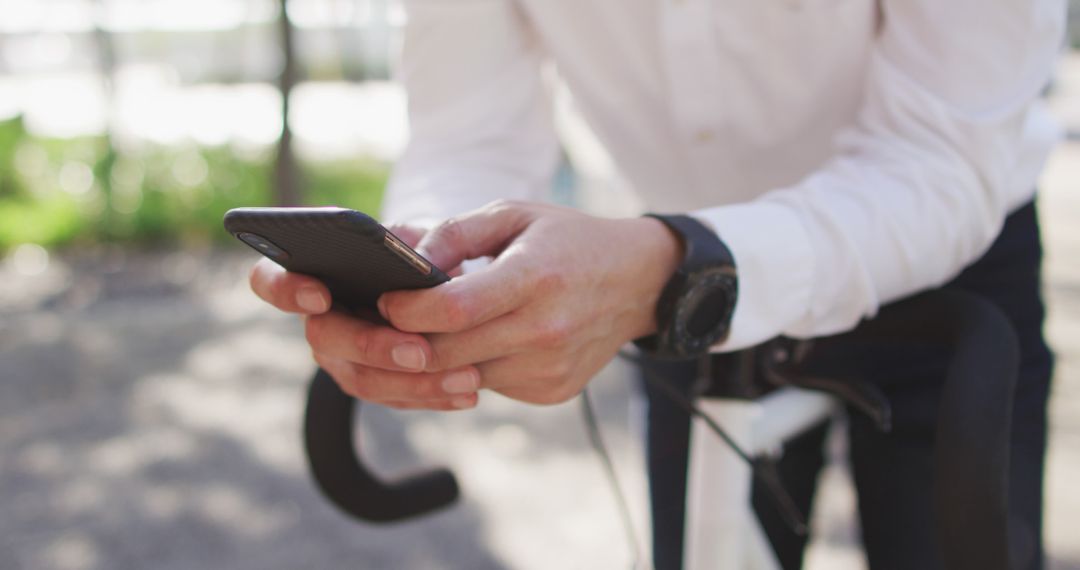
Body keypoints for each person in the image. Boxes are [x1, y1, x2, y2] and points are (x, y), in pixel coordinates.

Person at [249, 1, 1064, 568]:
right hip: (661, 272)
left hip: (935, 264)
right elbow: (468, 134)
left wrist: (680, 266)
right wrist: (431, 269)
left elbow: (940, 153)